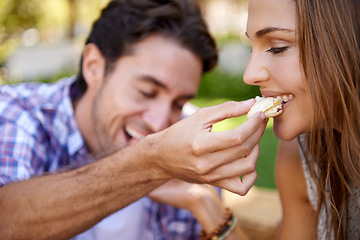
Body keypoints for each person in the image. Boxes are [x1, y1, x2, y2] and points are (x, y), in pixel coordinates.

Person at [0, 0, 267, 239]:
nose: (160, 122)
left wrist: (206, 203)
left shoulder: (187, 138)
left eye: (178, 103)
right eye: (146, 92)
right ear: (94, 66)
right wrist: (151, 164)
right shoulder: (16, 113)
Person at [244, 0, 360, 239]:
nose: (250, 75)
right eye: (251, 47)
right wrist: (203, 203)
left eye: (276, 47)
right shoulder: (302, 152)